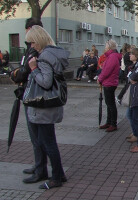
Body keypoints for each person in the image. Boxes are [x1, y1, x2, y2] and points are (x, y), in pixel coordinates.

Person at [25, 25, 68, 189]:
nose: (31, 46)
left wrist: (34, 69)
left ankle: (56, 178)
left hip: (44, 107)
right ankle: (60, 174)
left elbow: (45, 82)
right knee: (48, 141)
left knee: (48, 143)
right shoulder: (53, 53)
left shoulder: (44, 57)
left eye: (32, 42)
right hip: (50, 106)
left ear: (39, 40)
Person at [10, 18, 46, 184]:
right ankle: (39, 165)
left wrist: (15, 74)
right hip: (30, 94)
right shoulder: (32, 49)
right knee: (36, 135)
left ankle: (41, 169)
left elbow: (24, 72)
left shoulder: (36, 50)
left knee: (36, 135)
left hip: (33, 96)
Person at [98, 40, 122, 132]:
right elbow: (106, 67)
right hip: (109, 82)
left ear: (109, 47)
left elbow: (107, 71)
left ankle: (113, 123)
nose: (104, 48)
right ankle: (109, 122)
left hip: (110, 82)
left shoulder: (112, 57)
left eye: (106, 46)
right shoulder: (111, 56)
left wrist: (100, 78)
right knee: (108, 103)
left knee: (111, 104)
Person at [123, 48, 138, 143]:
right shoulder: (133, 65)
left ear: (136, 55)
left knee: (131, 114)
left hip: (135, 93)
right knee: (130, 114)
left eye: (131, 54)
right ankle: (135, 132)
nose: (129, 56)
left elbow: (134, 78)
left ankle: (136, 134)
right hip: (132, 91)